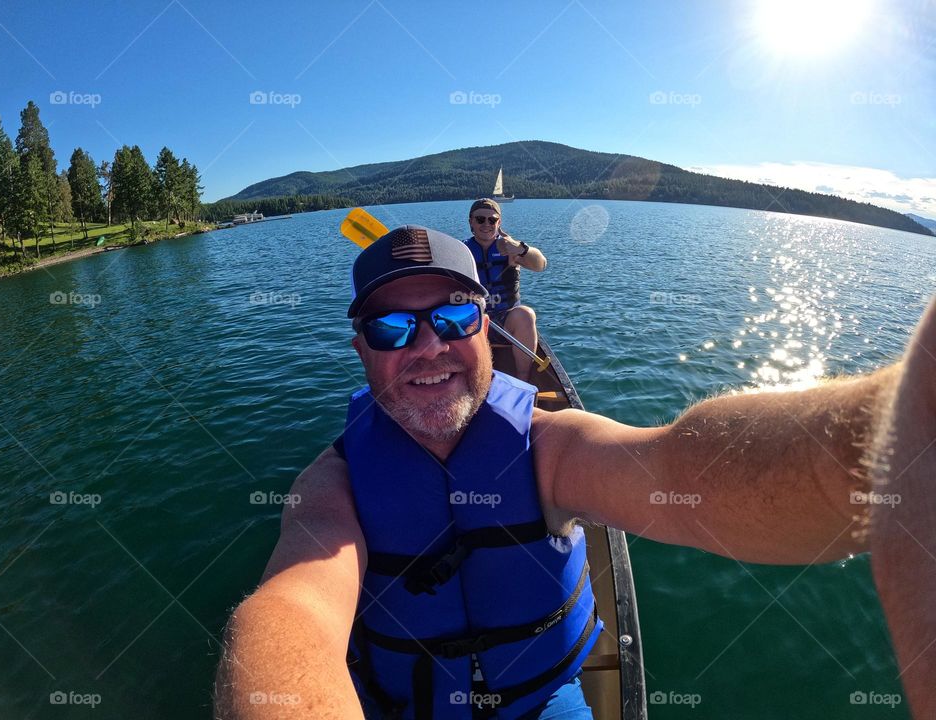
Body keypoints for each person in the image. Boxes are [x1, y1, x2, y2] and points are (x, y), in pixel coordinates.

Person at [214, 225, 936, 719]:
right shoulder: (331, 486)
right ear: (361, 349)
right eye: (392, 328)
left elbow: (682, 473)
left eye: (454, 318)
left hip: (539, 704)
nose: (427, 346)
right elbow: (289, 618)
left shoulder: (551, 449)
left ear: (485, 323)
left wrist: (907, 427)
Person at [464, 198, 547, 381]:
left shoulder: (510, 248)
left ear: (499, 223)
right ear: (471, 221)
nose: (486, 224)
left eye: (492, 220)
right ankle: (469, 381)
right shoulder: (462, 250)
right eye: (480, 219)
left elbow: (541, 264)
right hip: (474, 321)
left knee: (526, 314)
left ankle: (522, 380)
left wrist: (521, 249)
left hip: (505, 321)